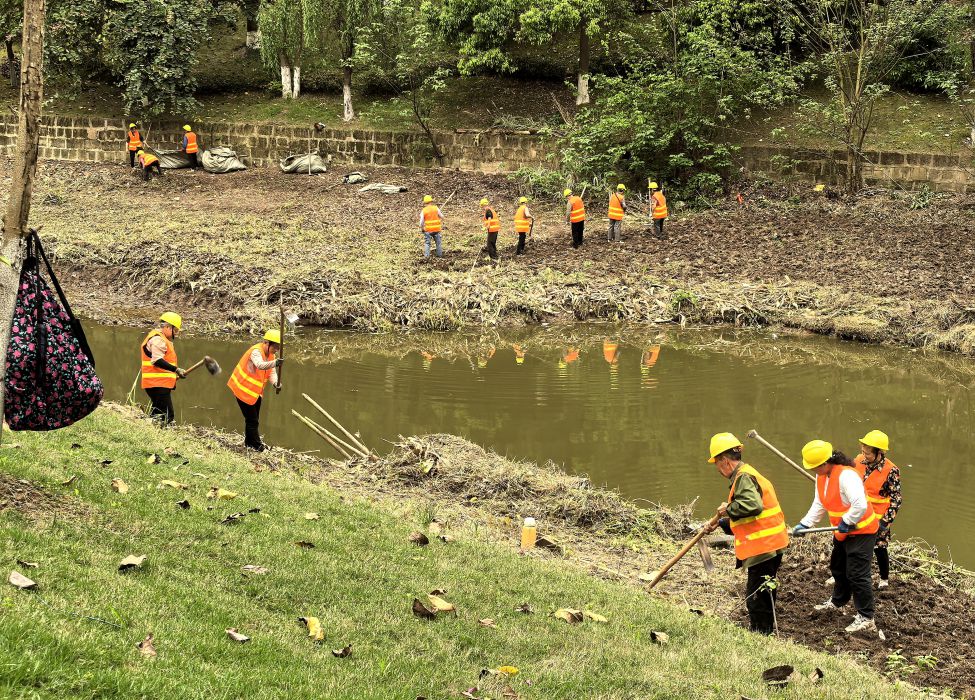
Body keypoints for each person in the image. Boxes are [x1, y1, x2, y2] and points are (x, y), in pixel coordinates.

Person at [793, 439, 880, 633]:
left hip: (862, 531)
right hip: (842, 532)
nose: (812, 470)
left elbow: (860, 504)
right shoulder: (822, 477)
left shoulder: (847, 476)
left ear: (825, 463)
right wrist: (805, 524)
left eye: (814, 467)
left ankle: (866, 617)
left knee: (857, 574)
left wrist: (847, 520)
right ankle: (838, 602)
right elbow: (819, 503)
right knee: (838, 567)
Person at [706, 433, 789, 635]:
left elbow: (753, 506)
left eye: (716, 463)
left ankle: (761, 635)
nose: (717, 469)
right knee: (765, 591)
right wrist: (722, 523)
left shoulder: (743, 477)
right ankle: (766, 631)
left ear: (724, 461)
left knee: (756, 597)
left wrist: (728, 509)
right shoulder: (748, 474)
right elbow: (751, 518)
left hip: (763, 547)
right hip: (773, 543)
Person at [853, 430, 902, 589]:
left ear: (879, 453)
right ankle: (845, 574)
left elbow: (896, 500)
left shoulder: (891, 470)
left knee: (879, 547)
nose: (864, 455)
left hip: (878, 518)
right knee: (851, 546)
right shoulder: (858, 461)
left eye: (867, 453)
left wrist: (884, 523)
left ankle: (884, 579)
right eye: (863, 451)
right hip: (858, 515)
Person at [227, 330, 283, 451]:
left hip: (255, 392)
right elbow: (260, 365)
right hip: (243, 389)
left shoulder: (271, 355)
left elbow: (271, 372)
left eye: (278, 347)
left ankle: (249, 443)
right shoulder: (256, 352)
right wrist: (275, 363)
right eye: (275, 346)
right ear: (266, 343)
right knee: (253, 420)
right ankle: (257, 446)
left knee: (253, 419)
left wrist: (276, 383)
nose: (277, 350)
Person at [139, 312, 187, 425]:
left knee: (158, 412)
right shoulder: (158, 340)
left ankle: (151, 428)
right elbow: (157, 360)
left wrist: (174, 374)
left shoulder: (161, 338)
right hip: (157, 384)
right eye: (175, 330)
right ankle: (162, 430)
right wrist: (176, 369)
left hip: (158, 383)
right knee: (167, 416)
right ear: (167, 327)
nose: (176, 334)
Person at [419, 194, 444, 259]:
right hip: (437, 229)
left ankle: (427, 257)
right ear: (431, 202)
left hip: (428, 230)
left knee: (427, 243)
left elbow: (421, 222)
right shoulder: (436, 208)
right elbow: (442, 217)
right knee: (438, 243)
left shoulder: (424, 210)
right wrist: (438, 218)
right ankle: (439, 255)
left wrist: (422, 228)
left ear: (425, 203)